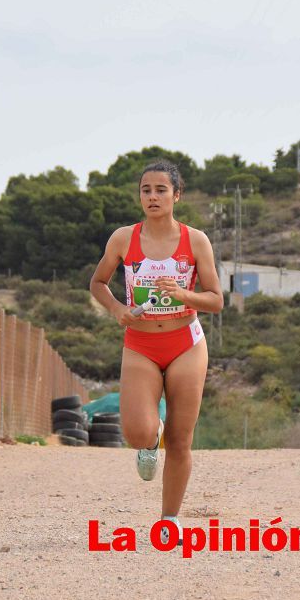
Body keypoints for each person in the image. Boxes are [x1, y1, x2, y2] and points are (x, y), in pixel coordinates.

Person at [89, 160, 223, 545]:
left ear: (176, 195)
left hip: (186, 343)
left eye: (161, 190)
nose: (152, 196)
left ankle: (169, 520)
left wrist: (184, 294)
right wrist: (117, 310)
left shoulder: (195, 240)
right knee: (138, 432)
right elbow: (98, 282)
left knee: (181, 438)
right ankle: (150, 441)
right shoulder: (122, 239)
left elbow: (216, 300)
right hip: (141, 345)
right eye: (146, 190)